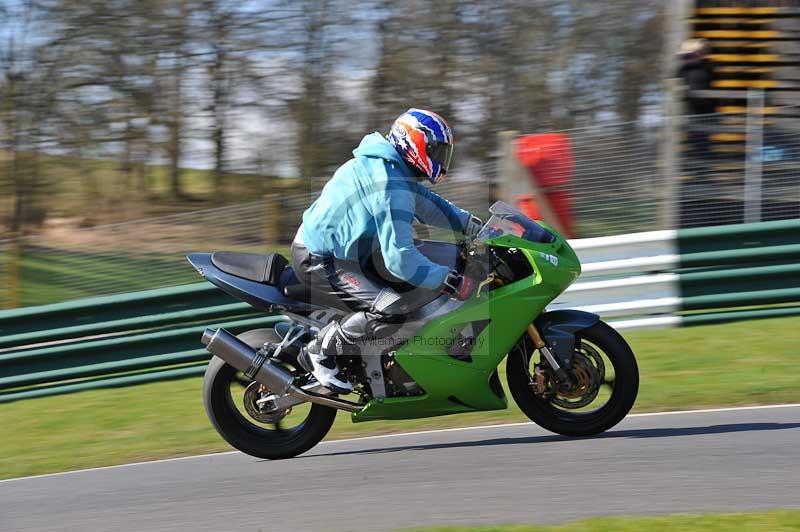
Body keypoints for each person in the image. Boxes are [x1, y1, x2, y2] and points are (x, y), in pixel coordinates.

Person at [290, 108, 483, 393]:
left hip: (350, 254)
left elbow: (431, 206)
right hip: (321, 259)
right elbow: (400, 260)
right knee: (394, 308)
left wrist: (477, 227)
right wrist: (450, 281)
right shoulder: (388, 182)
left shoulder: (392, 168)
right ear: (415, 142)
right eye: (437, 151)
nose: (441, 160)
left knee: (417, 291)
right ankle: (321, 350)